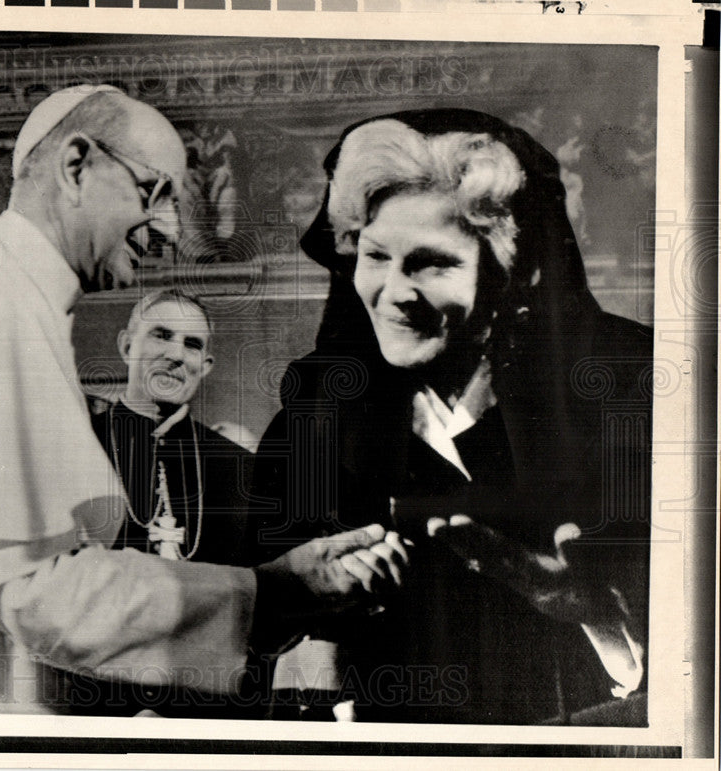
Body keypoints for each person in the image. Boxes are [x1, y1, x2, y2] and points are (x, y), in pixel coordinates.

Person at [0, 84, 406, 715]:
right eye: (155, 194)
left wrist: (274, 588)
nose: (172, 230)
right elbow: (38, 598)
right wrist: (274, 593)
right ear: (76, 165)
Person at [251, 109, 651, 725]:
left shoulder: (628, 393)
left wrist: (584, 604)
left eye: (433, 263)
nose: (393, 292)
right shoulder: (315, 420)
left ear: (517, 275)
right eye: (376, 255)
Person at [91, 290, 254, 568]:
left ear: (204, 367)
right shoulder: (78, 445)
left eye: (192, 344)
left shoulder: (242, 468)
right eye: (162, 335)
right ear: (127, 347)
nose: (176, 355)